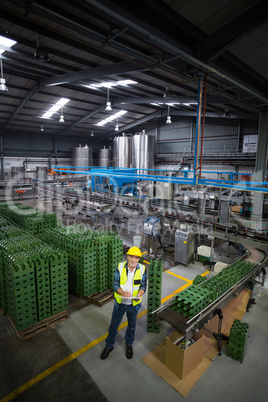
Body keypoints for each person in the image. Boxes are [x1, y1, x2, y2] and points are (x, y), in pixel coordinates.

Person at [100, 246, 147, 360]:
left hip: (133, 305)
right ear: (128, 256)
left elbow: (143, 286)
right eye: (132, 257)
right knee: (114, 326)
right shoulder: (120, 267)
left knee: (131, 327)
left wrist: (139, 295)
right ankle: (109, 346)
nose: (134, 260)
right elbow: (115, 285)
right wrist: (122, 292)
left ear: (139, 259)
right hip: (120, 303)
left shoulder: (142, 269)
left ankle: (129, 345)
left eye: (136, 258)